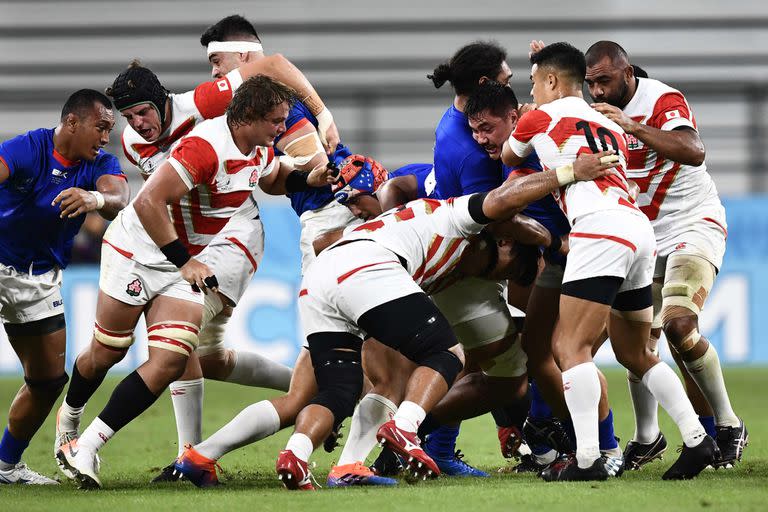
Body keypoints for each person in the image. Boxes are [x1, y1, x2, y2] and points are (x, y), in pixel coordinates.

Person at [54, 76, 332, 489]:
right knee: (106, 352)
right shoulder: (206, 146)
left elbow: (271, 177)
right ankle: (70, 417)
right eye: (276, 120)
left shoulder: (256, 146)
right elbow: (149, 201)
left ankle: (87, 445)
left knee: (171, 358)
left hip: (184, 263)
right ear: (249, 117)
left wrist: (308, 179)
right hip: (136, 253)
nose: (282, 129)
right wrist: (184, 261)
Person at [502, 42, 718, 481]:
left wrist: (527, 120)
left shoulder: (537, 116)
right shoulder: (607, 119)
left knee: (569, 348)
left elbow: (508, 156)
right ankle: (698, 439)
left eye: (534, 82)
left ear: (549, 81)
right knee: (636, 352)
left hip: (598, 229)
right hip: (638, 230)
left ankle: (588, 460)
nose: (532, 91)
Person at [585, 40, 747, 469]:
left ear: (627, 74)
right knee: (636, 342)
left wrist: (632, 127)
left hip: (693, 225)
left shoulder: (661, 99)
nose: (597, 92)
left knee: (678, 325)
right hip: (642, 236)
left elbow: (694, 151)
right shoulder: (594, 115)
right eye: (590, 84)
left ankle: (729, 426)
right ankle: (647, 437)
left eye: (604, 80)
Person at [465, 80, 625, 474]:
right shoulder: (533, 144)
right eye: (474, 130)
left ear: (515, 119)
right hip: (567, 257)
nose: (481, 139)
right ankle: (557, 437)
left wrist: (556, 239)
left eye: (488, 128)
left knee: (568, 353)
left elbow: (502, 207)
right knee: (541, 351)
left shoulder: (535, 152)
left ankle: (605, 448)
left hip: (592, 253)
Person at [0, 89, 129, 484]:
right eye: (101, 126)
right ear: (72, 122)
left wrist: (93, 199)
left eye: (110, 128)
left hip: (40, 278)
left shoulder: (99, 164)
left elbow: (120, 195)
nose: (106, 136)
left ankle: (5, 466)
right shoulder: (29, 147)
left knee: (48, 381)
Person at [200, 14, 357, 274]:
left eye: (216, 61)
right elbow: (273, 182)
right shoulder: (270, 98)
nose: (214, 72)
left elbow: (314, 164)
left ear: (242, 55)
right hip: (328, 209)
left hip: (329, 212)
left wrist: (265, 161)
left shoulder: (273, 102)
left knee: (323, 307)